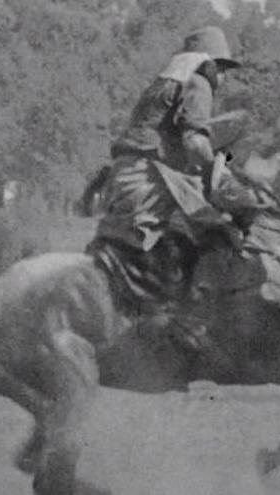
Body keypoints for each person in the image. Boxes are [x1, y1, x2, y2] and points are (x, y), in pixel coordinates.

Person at [87, 26, 251, 354]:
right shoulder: (198, 83)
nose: (223, 76)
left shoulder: (162, 84)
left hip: (126, 176)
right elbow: (194, 141)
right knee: (219, 231)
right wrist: (222, 176)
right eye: (221, 67)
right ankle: (185, 322)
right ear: (207, 63)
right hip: (150, 177)